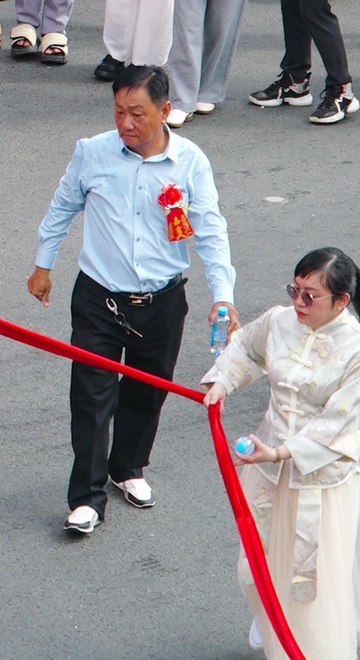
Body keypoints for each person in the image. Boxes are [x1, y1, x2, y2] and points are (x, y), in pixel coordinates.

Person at [29, 64, 235, 535]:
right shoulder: (92, 153)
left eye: (137, 113)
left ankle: (127, 468)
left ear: (165, 111)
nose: (125, 123)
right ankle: (85, 497)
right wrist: (44, 264)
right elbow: (63, 205)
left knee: (148, 390)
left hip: (163, 302)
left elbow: (210, 230)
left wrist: (223, 296)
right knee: (91, 396)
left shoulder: (190, 163)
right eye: (119, 111)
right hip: (99, 299)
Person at [200, 249, 360, 660]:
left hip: (317, 482)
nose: (297, 303)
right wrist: (223, 382)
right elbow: (245, 347)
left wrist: (279, 452)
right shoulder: (280, 321)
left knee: (310, 585)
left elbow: (339, 426)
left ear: (341, 301)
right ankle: (269, 617)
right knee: (257, 562)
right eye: (294, 290)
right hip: (266, 467)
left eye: (309, 296)